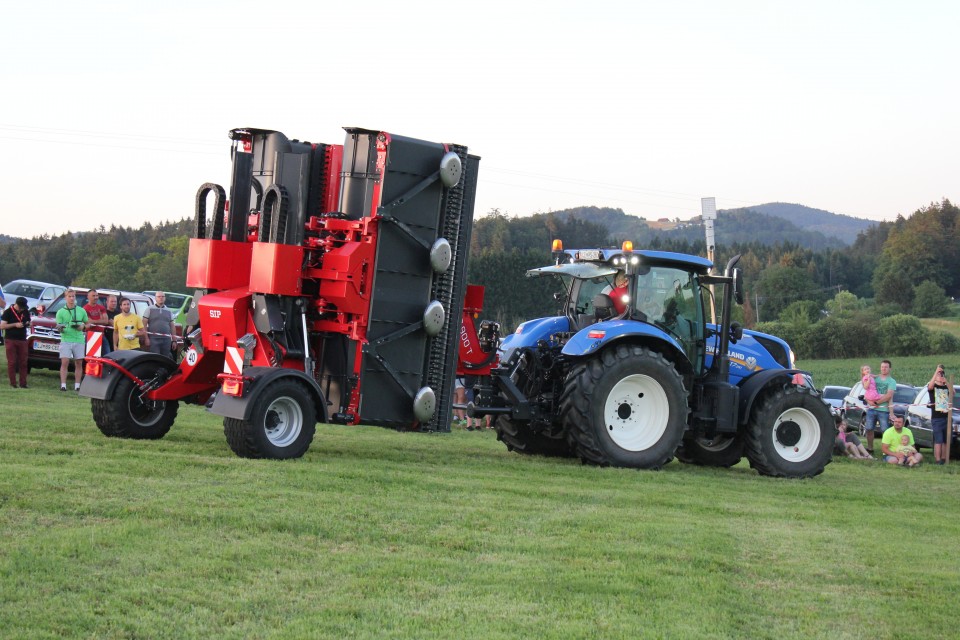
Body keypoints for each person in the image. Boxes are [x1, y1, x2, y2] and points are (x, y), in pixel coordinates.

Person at [55, 289, 89, 391]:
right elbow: (59, 326)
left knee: (79, 362)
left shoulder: (81, 310)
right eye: (69, 296)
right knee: (65, 361)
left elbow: (88, 324)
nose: (71, 298)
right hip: (66, 339)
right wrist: (60, 328)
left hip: (79, 339)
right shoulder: (60, 312)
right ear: (65, 298)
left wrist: (82, 326)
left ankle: (77, 385)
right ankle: (63, 385)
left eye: (73, 296)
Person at [863, 360, 896, 454]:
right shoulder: (874, 378)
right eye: (882, 367)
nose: (883, 368)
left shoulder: (892, 381)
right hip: (871, 409)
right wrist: (869, 401)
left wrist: (877, 402)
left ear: (890, 368)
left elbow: (889, 395)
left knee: (885, 430)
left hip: (884, 410)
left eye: (886, 367)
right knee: (869, 428)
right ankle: (870, 448)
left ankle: (885, 450)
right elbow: (866, 391)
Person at [0, 296, 31, 388]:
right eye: (21, 307)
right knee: (12, 362)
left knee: (23, 362)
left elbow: (29, 321)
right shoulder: (8, 312)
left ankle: (23, 383)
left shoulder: (25, 312)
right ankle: (13, 382)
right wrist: (15, 325)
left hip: (22, 339)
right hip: (11, 339)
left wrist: (27, 323)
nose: (22, 309)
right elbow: (2, 326)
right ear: (16, 305)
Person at [926, 364, 954, 465]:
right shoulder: (933, 388)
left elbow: (953, 392)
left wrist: (945, 381)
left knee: (946, 441)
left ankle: (944, 458)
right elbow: (930, 386)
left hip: (947, 417)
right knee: (938, 440)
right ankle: (938, 460)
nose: (940, 376)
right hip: (937, 418)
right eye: (938, 374)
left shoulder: (946, 387)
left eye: (941, 374)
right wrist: (936, 372)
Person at [143, 292, 177, 358]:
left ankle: (164, 369)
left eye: (162, 296)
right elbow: (144, 325)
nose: (161, 298)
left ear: (165, 298)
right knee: (155, 358)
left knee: (165, 358)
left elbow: (172, 326)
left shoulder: (169, 311)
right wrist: (146, 338)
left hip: (166, 340)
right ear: (155, 298)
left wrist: (174, 340)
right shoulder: (149, 309)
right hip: (153, 339)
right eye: (159, 296)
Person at [83, 289, 111, 357]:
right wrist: (100, 320)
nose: (96, 297)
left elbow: (106, 321)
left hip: (101, 334)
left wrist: (93, 321)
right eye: (93, 296)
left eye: (96, 295)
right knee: (92, 357)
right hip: (91, 334)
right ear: (88, 297)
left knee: (108, 355)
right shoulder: (84, 309)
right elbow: (88, 322)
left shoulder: (101, 307)